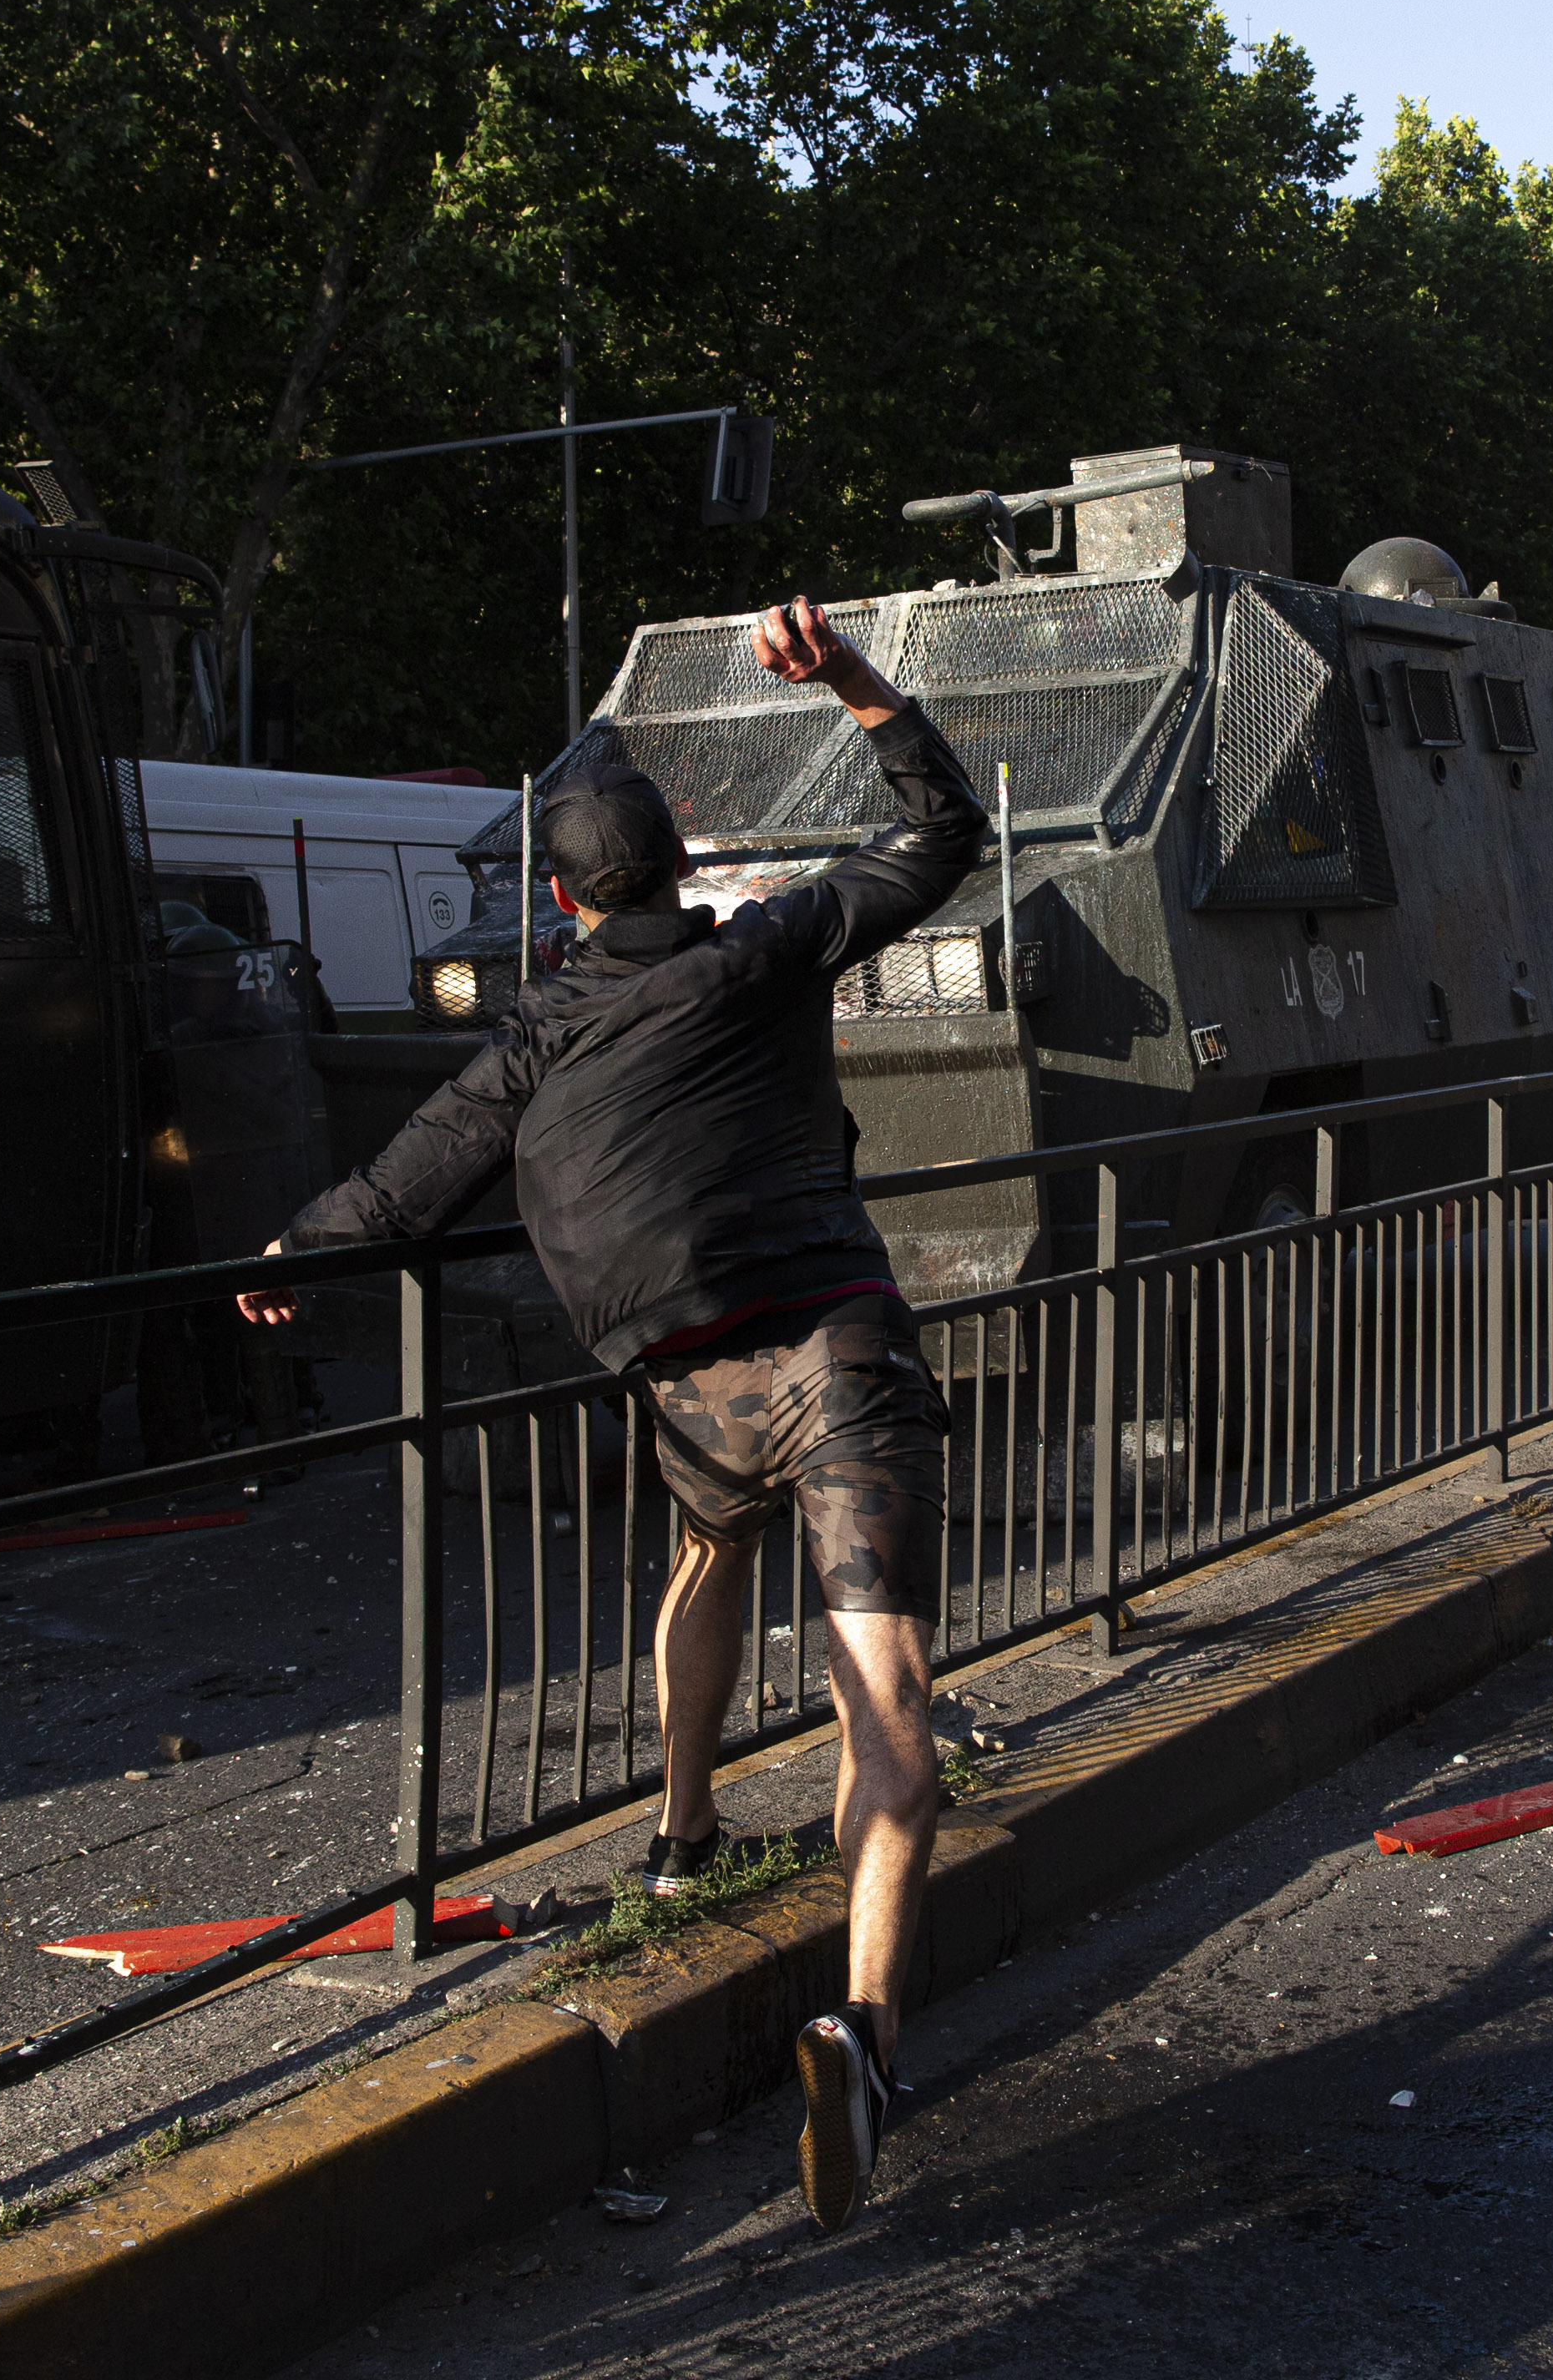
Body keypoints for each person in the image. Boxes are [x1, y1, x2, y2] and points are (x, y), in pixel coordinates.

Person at [241, 599, 981, 2235]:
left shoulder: (532, 1038)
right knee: (894, 1721)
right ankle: (862, 2028)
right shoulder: (766, 945)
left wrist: (298, 1252)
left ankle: (682, 1830)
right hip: (836, 1357)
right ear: (683, 858)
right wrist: (853, 680)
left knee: (706, 1559)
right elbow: (946, 834)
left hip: (689, 1394)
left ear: (567, 895)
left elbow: (408, 1181)